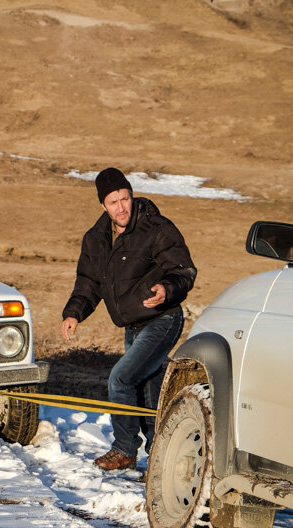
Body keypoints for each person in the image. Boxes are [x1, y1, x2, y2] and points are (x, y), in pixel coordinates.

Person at [61, 167, 196, 470]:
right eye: (113, 201)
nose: (121, 207)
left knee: (120, 379)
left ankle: (124, 448)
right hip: (132, 325)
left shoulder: (156, 228)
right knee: (146, 392)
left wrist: (167, 288)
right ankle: (162, 462)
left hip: (162, 318)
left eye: (125, 198)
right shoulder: (96, 239)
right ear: (103, 205)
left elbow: (184, 270)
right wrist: (73, 313)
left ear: (132, 196)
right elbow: (88, 283)